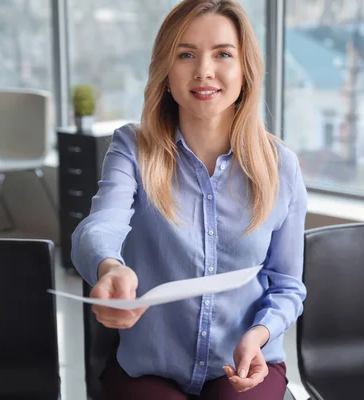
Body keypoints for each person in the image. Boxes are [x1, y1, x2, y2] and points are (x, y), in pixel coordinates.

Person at [71, 0, 307, 399]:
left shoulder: (281, 166)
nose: (204, 71)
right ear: (165, 72)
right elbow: (99, 226)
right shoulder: (133, 147)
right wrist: (109, 266)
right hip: (151, 365)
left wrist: (259, 334)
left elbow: (286, 285)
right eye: (186, 54)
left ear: (245, 70)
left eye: (223, 54)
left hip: (245, 362)